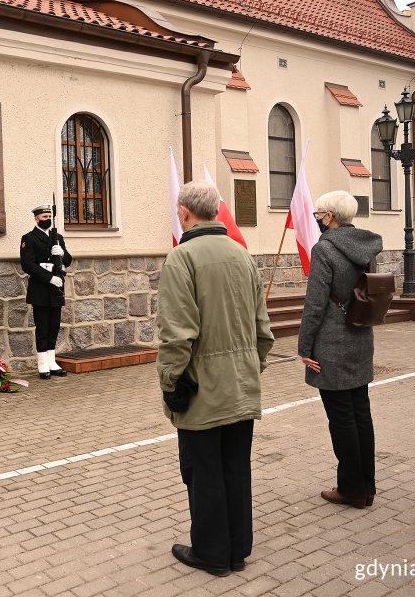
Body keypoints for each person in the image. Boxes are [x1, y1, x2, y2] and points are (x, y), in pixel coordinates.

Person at [156, 180, 274, 577]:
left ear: (187, 212)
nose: (177, 214)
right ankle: (237, 549)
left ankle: (211, 552)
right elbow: (263, 331)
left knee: (203, 472)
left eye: (178, 209)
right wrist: (249, 368)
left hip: (202, 389)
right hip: (240, 385)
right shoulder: (243, 256)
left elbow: (177, 334)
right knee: (235, 468)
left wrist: (171, 383)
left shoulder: (181, 258)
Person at [298, 190, 382, 510]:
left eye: (319, 214)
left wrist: (305, 345)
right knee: (361, 414)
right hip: (361, 337)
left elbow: (316, 303)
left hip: (331, 345)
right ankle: (367, 485)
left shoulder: (325, 249)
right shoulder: (366, 246)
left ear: (330, 216)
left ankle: (351, 489)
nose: (317, 219)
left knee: (342, 418)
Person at [20, 204, 72, 379]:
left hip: (56, 289)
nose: (47, 220)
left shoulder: (57, 237)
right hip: (41, 288)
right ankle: (42, 363)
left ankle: (52, 361)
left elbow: (68, 260)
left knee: (54, 326)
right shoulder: (29, 238)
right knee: (42, 327)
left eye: (49, 217)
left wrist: (62, 252)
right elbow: (28, 264)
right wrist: (49, 278)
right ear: (36, 218)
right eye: (44, 217)